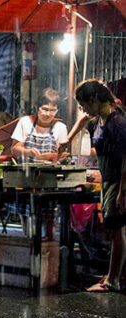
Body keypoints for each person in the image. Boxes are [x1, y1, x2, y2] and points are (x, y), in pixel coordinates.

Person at [70, 80, 126, 292]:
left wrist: (123, 191)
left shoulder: (117, 123)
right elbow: (84, 119)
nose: (83, 109)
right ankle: (114, 276)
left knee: (117, 229)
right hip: (108, 180)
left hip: (118, 181)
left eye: (84, 104)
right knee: (113, 229)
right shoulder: (98, 120)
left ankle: (113, 280)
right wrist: (68, 140)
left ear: (94, 100)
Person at [10, 88, 69, 163]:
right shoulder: (25, 122)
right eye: (45, 109)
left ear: (57, 111)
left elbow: (62, 155)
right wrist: (28, 152)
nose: (48, 114)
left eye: (52, 110)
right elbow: (14, 150)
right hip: (26, 171)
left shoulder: (61, 127)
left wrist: (57, 159)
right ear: (37, 107)